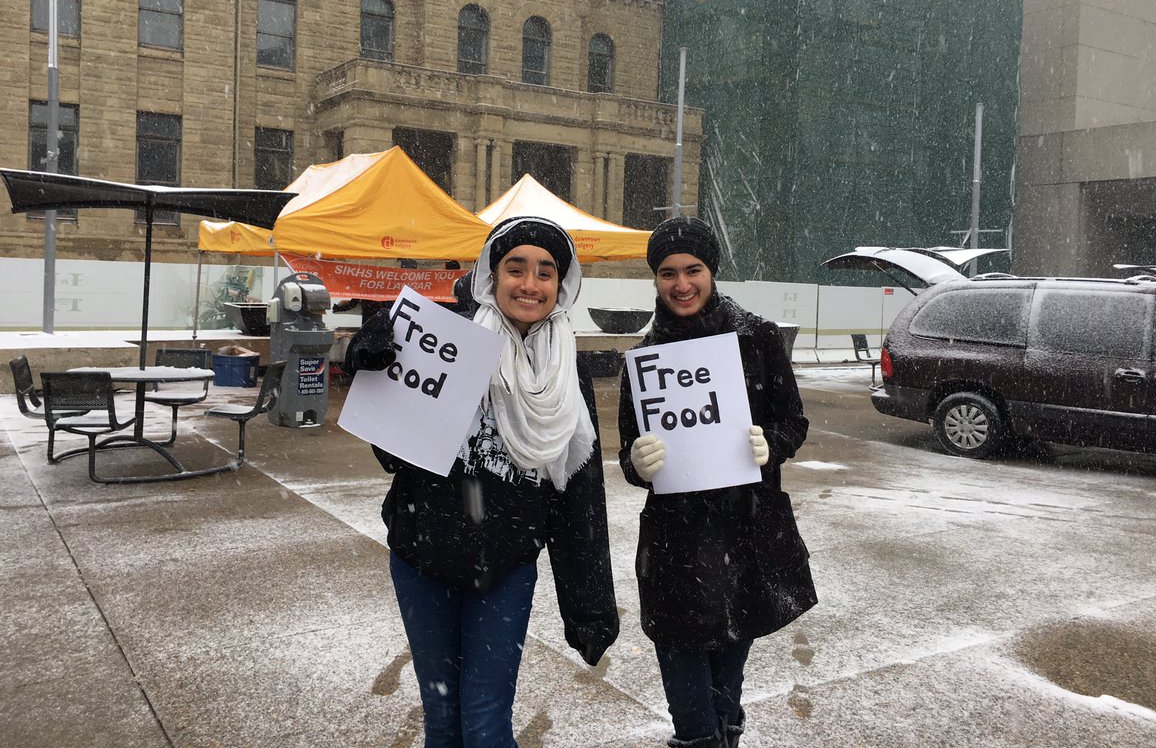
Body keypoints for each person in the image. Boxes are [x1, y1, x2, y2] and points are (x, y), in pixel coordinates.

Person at [344, 216, 618, 748]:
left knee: (488, 723)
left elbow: (579, 495)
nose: (530, 284)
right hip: (424, 556)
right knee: (443, 722)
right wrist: (375, 350)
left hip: (507, 567)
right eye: (515, 268)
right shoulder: (448, 338)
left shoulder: (567, 371)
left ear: (561, 285)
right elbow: (391, 455)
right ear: (492, 276)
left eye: (545, 272)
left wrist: (589, 603)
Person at [618, 215, 817, 748]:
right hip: (675, 543)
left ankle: (724, 734)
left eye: (693, 269)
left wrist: (770, 443)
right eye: (667, 273)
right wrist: (638, 460)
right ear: (654, 279)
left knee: (728, 679)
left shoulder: (759, 339)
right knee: (688, 688)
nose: (681, 284)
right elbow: (627, 456)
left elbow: (793, 421)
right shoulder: (643, 359)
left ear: (712, 270)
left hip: (745, 531)